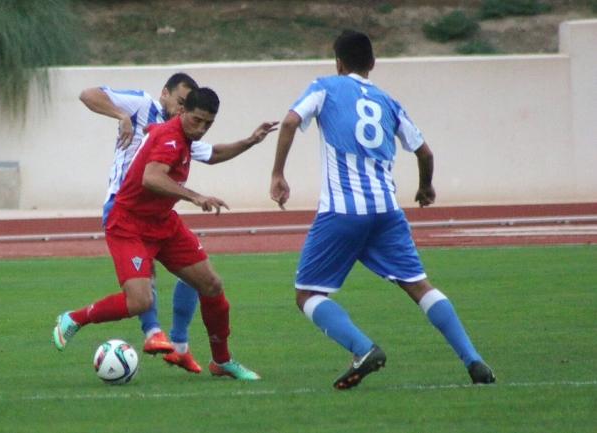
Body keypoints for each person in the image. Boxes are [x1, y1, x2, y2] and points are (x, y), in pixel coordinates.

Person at [270, 30, 495, 390]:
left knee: (308, 294)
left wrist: (278, 173)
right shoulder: (389, 101)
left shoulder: (325, 85)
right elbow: (425, 152)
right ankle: (473, 359)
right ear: (373, 64)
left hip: (343, 211)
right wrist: (425, 187)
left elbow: (290, 122)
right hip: (388, 212)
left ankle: (363, 349)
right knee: (420, 286)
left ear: (338, 63)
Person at [58, 86, 277, 380]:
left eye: (208, 124)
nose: (201, 129)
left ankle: (222, 361)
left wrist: (251, 141)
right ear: (183, 110)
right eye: (197, 120)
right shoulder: (169, 136)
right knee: (140, 302)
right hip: (129, 225)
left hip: (163, 223)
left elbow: (215, 153)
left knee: (211, 285)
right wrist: (194, 196)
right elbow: (151, 178)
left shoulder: (187, 137)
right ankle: (74, 318)